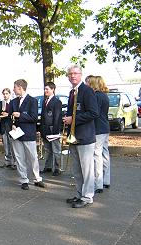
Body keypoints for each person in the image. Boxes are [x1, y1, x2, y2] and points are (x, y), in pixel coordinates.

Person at [63, 65, 99, 208]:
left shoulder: (87, 91)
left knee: (87, 169)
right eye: (70, 74)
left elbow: (93, 113)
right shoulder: (72, 92)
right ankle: (79, 194)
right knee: (77, 170)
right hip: (74, 137)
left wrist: (73, 119)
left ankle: (87, 196)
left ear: (80, 75)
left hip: (85, 137)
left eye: (75, 73)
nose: (72, 76)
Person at [10, 79, 45, 190]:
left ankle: (37, 178)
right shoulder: (13, 102)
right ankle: (23, 179)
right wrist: (12, 124)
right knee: (19, 157)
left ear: (20, 87)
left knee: (33, 157)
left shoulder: (32, 101)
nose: (13, 89)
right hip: (16, 133)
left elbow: (34, 118)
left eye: (14, 87)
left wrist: (20, 115)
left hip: (28, 133)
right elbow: (10, 117)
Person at [88, 75, 111, 193]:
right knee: (105, 154)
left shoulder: (96, 96)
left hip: (98, 128)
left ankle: (98, 183)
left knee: (97, 155)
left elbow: (94, 113)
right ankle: (106, 180)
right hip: (105, 127)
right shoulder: (105, 96)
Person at [40, 82, 62, 176]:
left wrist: (55, 131)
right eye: (45, 89)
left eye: (47, 89)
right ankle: (48, 166)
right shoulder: (44, 101)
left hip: (53, 129)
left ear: (53, 89)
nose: (45, 91)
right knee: (48, 149)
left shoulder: (57, 102)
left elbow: (57, 117)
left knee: (56, 150)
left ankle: (57, 168)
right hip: (45, 129)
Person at [0, 88, 16, 170]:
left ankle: (15, 162)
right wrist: (0, 115)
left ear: (9, 94)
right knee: (6, 146)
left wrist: (8, 114)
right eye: (4, 94)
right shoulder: (0, 103)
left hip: (11, 126)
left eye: (6, 93)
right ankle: (7, 161)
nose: (5, 95)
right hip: (3, 126)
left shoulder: (13, 103)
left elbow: (15, 114)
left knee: (13, 146)